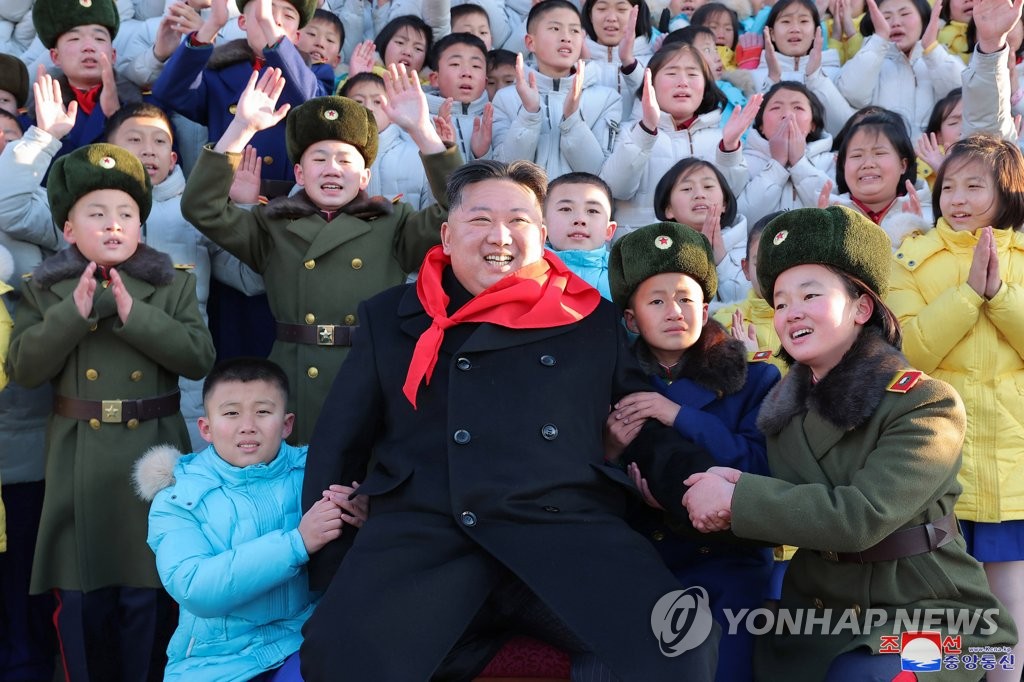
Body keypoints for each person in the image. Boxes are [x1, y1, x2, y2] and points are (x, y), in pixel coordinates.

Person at [300, 158, 721, 682]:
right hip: (426, 537)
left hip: (565, 531)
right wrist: (334, 565)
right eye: (480, 220)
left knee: (679, 642)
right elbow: (338, 443)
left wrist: (694, 484)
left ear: (542, 236)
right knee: (341, 656)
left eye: (519, 220)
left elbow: (642, 426)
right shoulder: (390, 316)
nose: (500, 236)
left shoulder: (589, 316)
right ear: (448, 235)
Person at [682, 205, 1018, 679]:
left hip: (938, 616)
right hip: (820, 617)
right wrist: (724, 486)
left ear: (862, 307)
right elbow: (789, 503)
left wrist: (738, 499)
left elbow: (860, 517)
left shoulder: (925, 402)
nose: (790, 312)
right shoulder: (782, 411)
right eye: (779, 303)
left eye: (810, 294)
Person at [7, 143, 216, 681]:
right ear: (69, 229)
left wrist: (135, 314)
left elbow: (198, 360)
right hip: (80, 455)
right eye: (96, 214)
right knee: (82, 602)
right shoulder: (45, 288)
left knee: (151, 599)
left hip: (155, 452)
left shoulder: (173, 282)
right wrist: (71, 317)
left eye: (126, 214)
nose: (114, 225)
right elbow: (25, 369)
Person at [181, 65, 460, 444]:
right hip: (294, 381)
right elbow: (202, 208)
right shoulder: (272, 226)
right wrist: (240, 129)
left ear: (364, 177)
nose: (332, 169)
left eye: (346, 160)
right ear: (298, 173)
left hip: (369, 374)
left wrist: (422, 133)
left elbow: (460, 212)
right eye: (319, 159)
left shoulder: (394, 225)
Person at [607, 221, 779, 682]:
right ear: (630, 319)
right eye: (656, 300)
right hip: (644, 562)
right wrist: (611, 453)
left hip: (729, 561)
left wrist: (678, 415)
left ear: (706, 308)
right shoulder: (608, 385)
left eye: (686, 298)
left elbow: (762, 468)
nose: (674, 311)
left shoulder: (757, 380)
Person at [134, 357, 367, 682]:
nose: (248, 425)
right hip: (215, 662)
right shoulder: (178, 498)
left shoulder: (316, 475)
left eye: (263, 412)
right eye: (231, 413)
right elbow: (194, 587)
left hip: (302, 644)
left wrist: (367, 520)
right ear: (206, 428)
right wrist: (296, 543)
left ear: (286, 424)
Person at [888, 134, 1024, 682]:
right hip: (939, 458)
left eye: (976, 186)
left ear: (1007, 192)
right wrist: (969, 295)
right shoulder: (912, 257)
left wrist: (1001, 295)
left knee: (1008, 603)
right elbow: (908, 349)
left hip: (1011, 459)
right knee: (935, 604)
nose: (959, 199)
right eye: (951, 186)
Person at [152, 0, 326, 186]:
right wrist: (211, 26)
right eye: (265, 11)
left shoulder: (314, 74)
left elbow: (308, 103)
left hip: (284, 202)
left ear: (297, 36)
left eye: (288, 16)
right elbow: (170, 91)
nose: (275, 19)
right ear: (242, 22)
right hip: (225, 195)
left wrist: (268, 25)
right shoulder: (219, 74)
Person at [600, 40, 757, 233]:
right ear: (651, 83)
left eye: (692, 74)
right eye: (671, 73)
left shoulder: (721, 138)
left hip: (706, 247)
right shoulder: (631, 131)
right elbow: (616, 188)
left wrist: (730, 148)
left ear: (706, 86)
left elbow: (731, 197)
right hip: (643, 246)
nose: (683, 82)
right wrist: (646, 130)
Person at [491, 0, 623, 179]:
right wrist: (529, 114)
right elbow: (505, 172)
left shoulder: (606, 98)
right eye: (555, 28)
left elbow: (598, 173)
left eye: (574, 30)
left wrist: (572, 118)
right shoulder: (506, 98)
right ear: (530, 42)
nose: (566, 37)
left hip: (576, 206)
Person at [30, 0, 141, 160]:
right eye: (74, 39)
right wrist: (46, 136)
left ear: (113, 55)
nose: (89, 46)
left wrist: (118, 118)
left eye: (99, 39)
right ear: (55, 56)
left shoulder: (145, 109)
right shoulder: (33, 119)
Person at [543, 171, 617, 299]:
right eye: (566, 209)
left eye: (592, 211)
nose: (580, 219)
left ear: (609, 230)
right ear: (542, 225)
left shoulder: (624, 277)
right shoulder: (527, 271)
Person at [425, 32, 494, 163]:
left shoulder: (495, 119)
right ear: (435, 78)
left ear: (485, 82)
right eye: (455, 64)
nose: (467, 73)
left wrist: (482, 154)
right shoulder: (421, 121)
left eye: (476, 66)